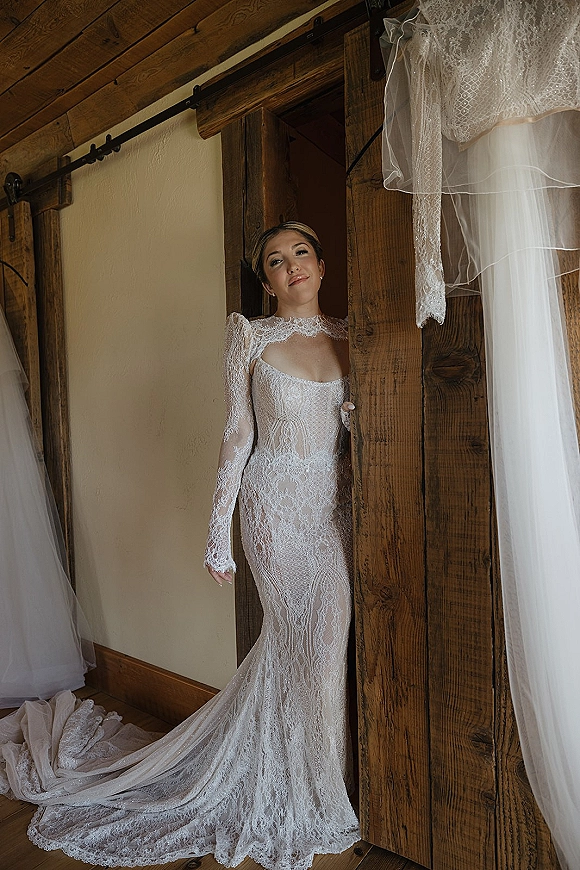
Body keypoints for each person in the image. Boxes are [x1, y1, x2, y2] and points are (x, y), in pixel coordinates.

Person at [0, 222, 359, 870]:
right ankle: (308, 802)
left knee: (327, 651)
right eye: (275, 261)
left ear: (322, 263)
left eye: (301, 252)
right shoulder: (249, 335)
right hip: (272, 510)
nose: (291, 266)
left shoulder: (350, 335)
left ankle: (311, 783)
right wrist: (217, 532)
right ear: (267, 279)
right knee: (296, 645)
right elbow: (236, 435)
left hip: (328, 514)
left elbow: (355, 428)